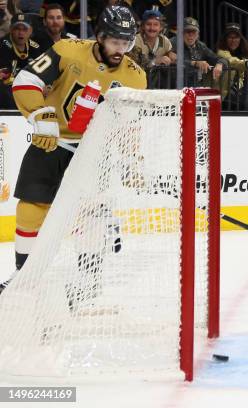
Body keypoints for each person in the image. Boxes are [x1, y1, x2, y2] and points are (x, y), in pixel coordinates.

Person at [7, 5, 146, 281]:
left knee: (91, 217)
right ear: (100, 36)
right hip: (52, 142)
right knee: (31, 210)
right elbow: (26, 80)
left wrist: (132, 160)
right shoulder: (68, 50)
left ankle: (87, 283)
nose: (121, 49)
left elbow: (129, 124)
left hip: (93, 153)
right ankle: (24, 276)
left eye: (126, 42)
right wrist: (41, 117)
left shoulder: (136, 76)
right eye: (115, 41)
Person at [215, 22, 248, 110]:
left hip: (237, 93)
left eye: (236, 37)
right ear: (225, 39)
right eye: (230, 37)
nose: (233, 40)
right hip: (222, 95)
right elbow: (233, 62)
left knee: (247, 103)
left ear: (240, 39)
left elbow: (244, 76)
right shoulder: (221, 52)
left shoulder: (243, 54)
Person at [0, 13, 44, 109]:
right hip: (8, 89)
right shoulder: (3, 45)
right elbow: (4, 77)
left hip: (28, 88)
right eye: (17, 29)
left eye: (24, 29)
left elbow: (41, 75)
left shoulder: (35, 48)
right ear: (11, 29)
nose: (21, 33)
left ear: (30, 31)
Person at [170, 17, 225, 87]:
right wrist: (195, 63)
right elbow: (172, 61)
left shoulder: (201, 46)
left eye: (194, 31)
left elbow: (221, 59)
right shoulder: (172, 43)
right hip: (174, 88)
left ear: (198, 34)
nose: (191, 35)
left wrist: (219, 64)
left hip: (195, 88)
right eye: (187, 31)